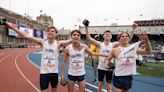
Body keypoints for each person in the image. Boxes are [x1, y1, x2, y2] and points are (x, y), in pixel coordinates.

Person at [6, 22, 72, 92]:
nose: (50, 32)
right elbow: (27, 36)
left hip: (54, 73)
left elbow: (72, 40)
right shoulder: (43, 42)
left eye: (52, 31)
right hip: (44, 73)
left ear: (56, 34)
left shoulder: (58, 43)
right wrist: (13, 28)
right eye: (49, 31)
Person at [84, 21, 137, 92]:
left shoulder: (113, 44)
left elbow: (127, 39)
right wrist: (86, 27)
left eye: (109, 34)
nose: (107, 35)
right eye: (106, 34)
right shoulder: (100, 44)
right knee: (100, 84)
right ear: (103, 36)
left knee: (109, 85)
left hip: (109, 68)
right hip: (101, 67)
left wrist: (133, 29)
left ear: (111, 36)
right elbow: (89, 38)